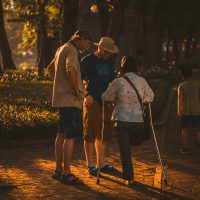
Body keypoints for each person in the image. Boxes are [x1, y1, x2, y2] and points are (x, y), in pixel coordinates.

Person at [47, 30, 92, 184]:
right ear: (82, 38)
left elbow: (50, 69)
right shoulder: (72, 50)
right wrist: (77, 90)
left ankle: (58, 170)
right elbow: (70, 69)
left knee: (60, 134)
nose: (88, 47)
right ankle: (67, 173)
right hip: (70, 100)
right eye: (88, 43)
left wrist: (60, 83)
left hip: (60, 99)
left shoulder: (61, 48)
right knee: (70, 137)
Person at [102, 56, 154, 185]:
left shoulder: (118, 81)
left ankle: (129, 177)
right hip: (138, 122)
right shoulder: (142, 80)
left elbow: (106, 97)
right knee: (133, 142)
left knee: (125, 150)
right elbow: (150, 97)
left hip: (123, 121)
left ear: (122, 67)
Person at [81, 37, 119, 176]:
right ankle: (90, 165)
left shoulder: (109, 61)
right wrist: (86, 95)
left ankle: (101, 163)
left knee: (104, 133)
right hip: (92, 100)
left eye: (110, 53)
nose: (109, 55)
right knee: (90, 132)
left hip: (107, 101)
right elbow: (79, 80)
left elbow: (113, 80)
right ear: (100, 48)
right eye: (107, 52)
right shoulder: (87, 60)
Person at [178, 66, 200, 155]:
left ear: (182, 76)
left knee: (184, 129)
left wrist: (179, 109)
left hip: (185, 111)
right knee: (198, 129)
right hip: (197, 110)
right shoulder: (198, 84)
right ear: (191, 74)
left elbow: (180, 99)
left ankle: (185, 148)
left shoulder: (182, 86)